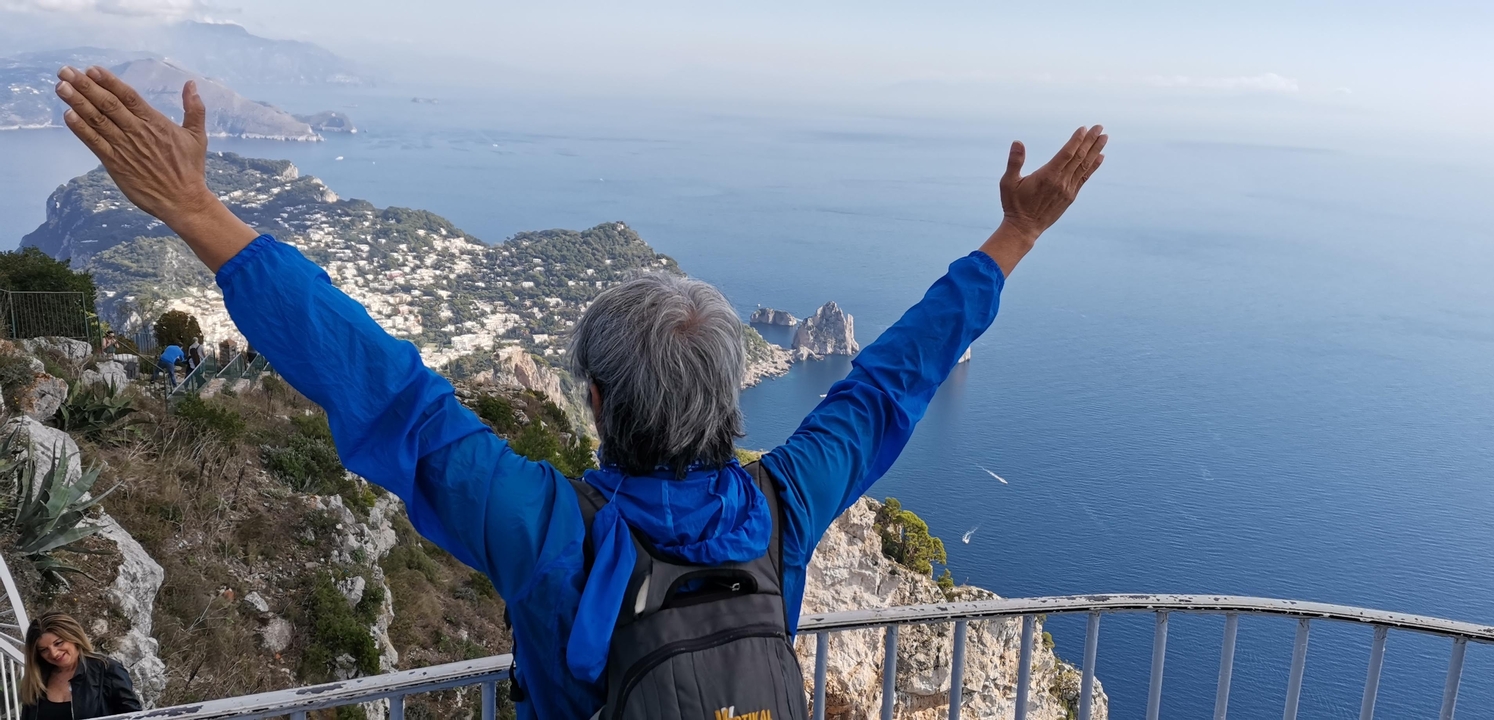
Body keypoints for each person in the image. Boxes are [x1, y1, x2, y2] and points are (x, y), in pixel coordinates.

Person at [51, 65, 1106, 718]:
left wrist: (198, 212)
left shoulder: (552, 532)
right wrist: (1013, 236)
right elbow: (887, 386)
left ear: (595, 405)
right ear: (733, 401)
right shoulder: (785, 505)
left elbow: (382, 389)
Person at [20, 611, 141, 719]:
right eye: (44, 650)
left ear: (73, 636)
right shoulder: (37, 680)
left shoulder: (107, 669)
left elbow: (133, 716)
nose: (54, 653)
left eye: (58, 643)